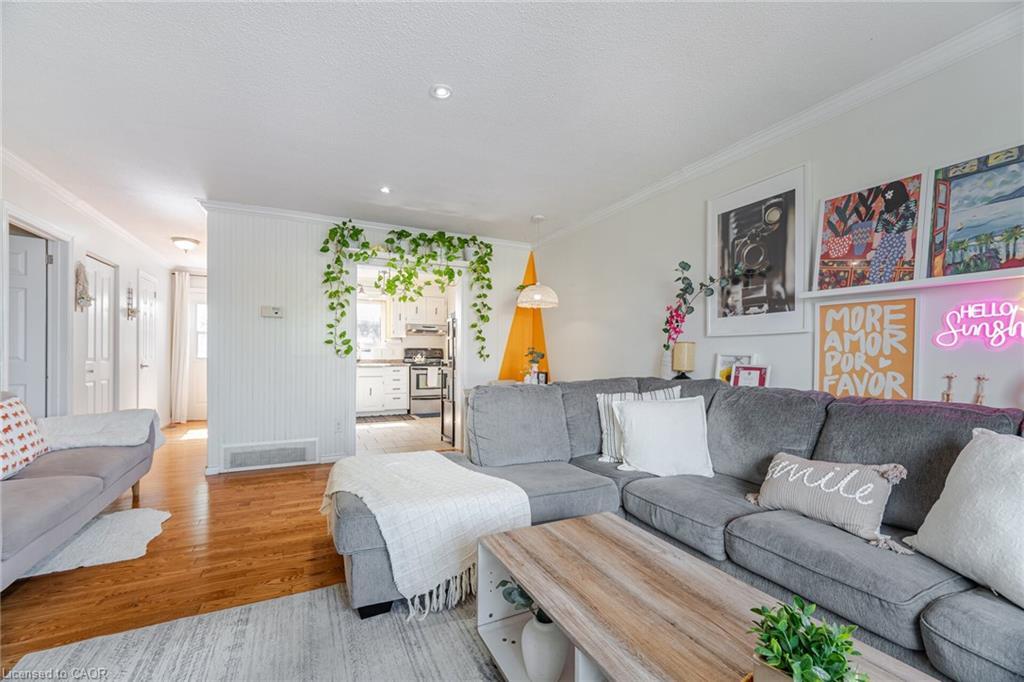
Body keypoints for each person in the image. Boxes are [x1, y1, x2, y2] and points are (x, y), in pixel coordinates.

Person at [868, 181, 917, 284]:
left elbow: (908, 228)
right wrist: (873, 249)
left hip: (901, 239)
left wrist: (909, 248)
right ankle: (874, 285)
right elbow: (878, 230)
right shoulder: (884, 213)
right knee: (876, 261)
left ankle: (884, 284)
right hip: (887, 238)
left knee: (890, 262)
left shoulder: (909, 209)